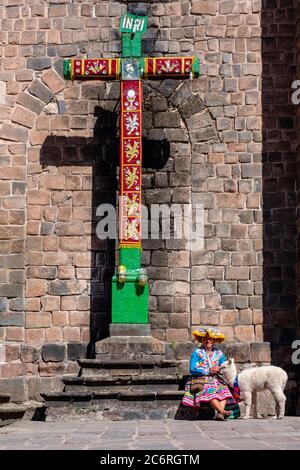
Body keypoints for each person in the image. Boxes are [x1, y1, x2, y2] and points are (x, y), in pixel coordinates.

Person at [182, 327, 236, 420]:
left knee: (224, 390)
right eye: (206, 339)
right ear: (202, 340)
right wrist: (209, 370)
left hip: (216, 379)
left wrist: (219, 369)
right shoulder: (197, 353)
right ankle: (223, 412)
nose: (208, 341)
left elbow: (223, 366)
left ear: (214, 340)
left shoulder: (219, 353)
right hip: (201, 380)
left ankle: (220, 413)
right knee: (209, 390)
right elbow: (192, 368)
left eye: (210, 339)